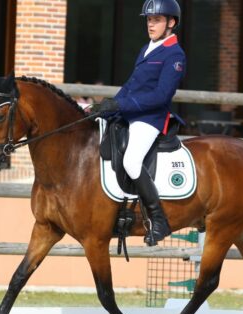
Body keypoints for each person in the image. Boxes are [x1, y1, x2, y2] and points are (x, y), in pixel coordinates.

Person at [95, 0, 185, 246]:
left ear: (171, 23)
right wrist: (108, 105)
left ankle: (158, 219)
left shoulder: (175, 54)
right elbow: (131, 85)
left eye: (156, 20)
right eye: (148, 19)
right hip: (130, 113)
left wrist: (121, 106)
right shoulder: (147, 48)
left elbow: (161, 96)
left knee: (131, 160)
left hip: (150, 118)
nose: (150, 24)